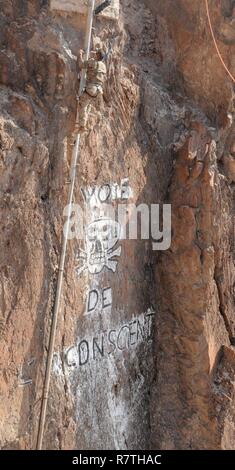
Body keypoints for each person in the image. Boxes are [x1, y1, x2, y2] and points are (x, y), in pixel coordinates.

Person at [75, 48, 107, 133]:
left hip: (91, 88)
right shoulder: (103, 66)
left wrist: (80, 54)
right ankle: (84, 123)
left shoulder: (93, 62)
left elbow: (81, 65)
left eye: (96, 54)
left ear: (97, 55)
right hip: (98, 90)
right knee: (88, 104)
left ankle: (82, 126)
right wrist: (93, 56)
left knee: (82, 105)